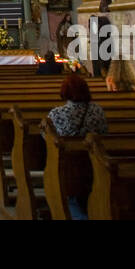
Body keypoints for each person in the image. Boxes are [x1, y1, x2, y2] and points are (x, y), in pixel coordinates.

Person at [47, 73, 108, 219]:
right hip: (95, 162)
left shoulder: (57, 114)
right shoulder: (98, 111)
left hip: (69, 164)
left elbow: (47, 138)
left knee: (71, 189)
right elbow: (104, 132)